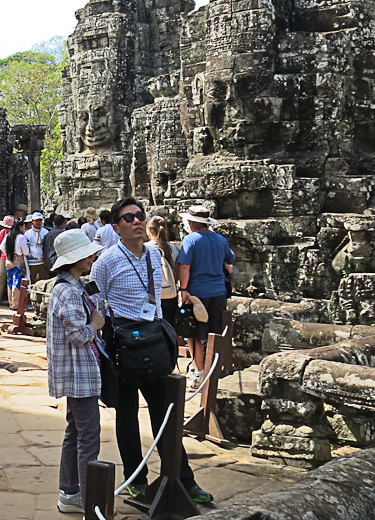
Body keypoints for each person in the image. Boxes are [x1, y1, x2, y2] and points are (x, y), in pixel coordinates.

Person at [90, 197, 213, 505]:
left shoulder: (154, 257)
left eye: (139, 216)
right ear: (116, 227)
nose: (135, 221)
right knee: (127, 415)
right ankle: (135, 478)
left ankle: (183, 478)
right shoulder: (106, 261)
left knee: (166, 414)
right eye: (128, 218)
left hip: (153, 342)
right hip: (124, 346)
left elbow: (157, 301)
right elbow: (96, 300)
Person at [47, 231, 106, 515]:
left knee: (75, 432)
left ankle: (70, 490)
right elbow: (78, 334)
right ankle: (88, 497)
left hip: (79, 370)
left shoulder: (74, 286)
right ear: (77, 259)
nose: (93, 257)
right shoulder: (69, 290)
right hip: (78, 372)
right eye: (89, 254)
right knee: (88, 437)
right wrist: (95, 324)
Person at [177, 205, 235, 377]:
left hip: (197, 293)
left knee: (194, 333)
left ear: (193, 223)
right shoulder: (221, 240)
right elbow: (230, 261)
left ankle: (199, 370)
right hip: (218, 291)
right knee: (215, 333)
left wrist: (183, 289)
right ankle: (214, 369)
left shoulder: (191, 240)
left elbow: (185, 266)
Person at [146, 215, 180, 326]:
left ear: (149, 230)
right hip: (170, 293)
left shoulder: (144, 249)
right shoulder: (173, 248)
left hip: (149, 294)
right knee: (170, 326)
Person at [4, 218, 28, 311]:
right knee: (17, 281)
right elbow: (25, 252)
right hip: (18, 260)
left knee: (9, 281)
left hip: (9, 259)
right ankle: (16, 303)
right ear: (20, 227)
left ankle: (11, 303)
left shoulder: (8, 235)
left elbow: (2, 247)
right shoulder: (21, 237)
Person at [0, 215, 15, 306]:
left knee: (14, 279)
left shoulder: (16, 233)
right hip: (3, 257)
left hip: (14, 258)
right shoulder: (2, 232)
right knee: (1, 278)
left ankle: (13, 300)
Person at [24, 213, 49, 285]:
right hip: (32, 262)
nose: (38, 222)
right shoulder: (27, 234)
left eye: (40, 220)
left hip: (43, 262)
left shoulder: (45, 232)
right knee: (32, 281)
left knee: (44, 282)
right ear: (32, 221)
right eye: (36, 220)